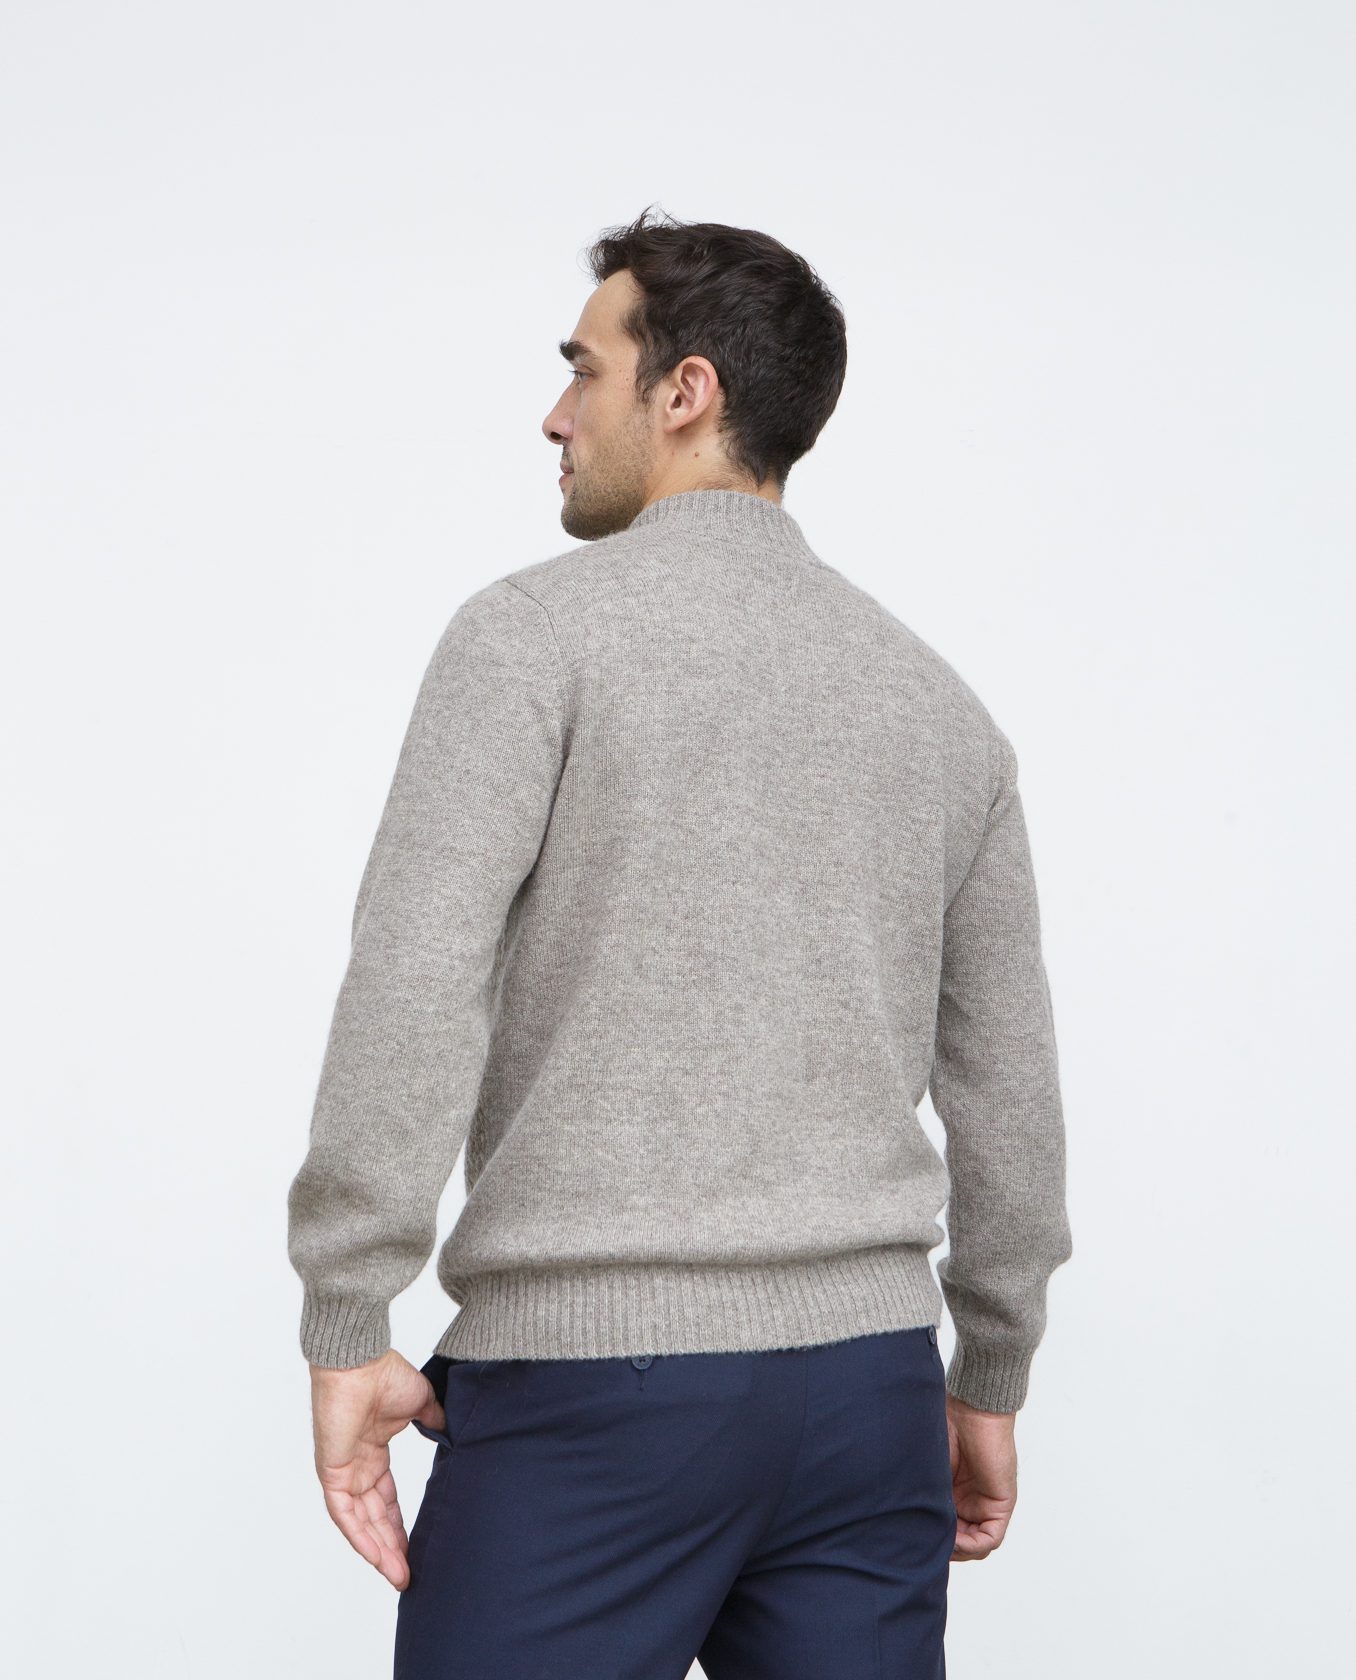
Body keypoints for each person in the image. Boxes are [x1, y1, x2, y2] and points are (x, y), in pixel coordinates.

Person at [287, 209, 1072, 1680]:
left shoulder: (530, 640)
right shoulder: (939, 710)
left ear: (686, 392)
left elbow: (414, 983)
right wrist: (990, 1371)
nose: (556, 413)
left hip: (596, 1397)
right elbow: (1011, 1091)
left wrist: (347, 1316)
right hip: (870, 1401)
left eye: (585, 368)